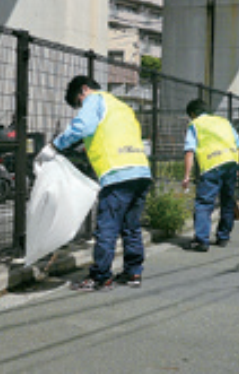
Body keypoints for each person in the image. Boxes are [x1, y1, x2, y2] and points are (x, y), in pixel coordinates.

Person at [36, 75, 152, 291]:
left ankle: (101, 277)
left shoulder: (95, 99)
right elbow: (109, 134)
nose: (81, 107)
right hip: (141, 171)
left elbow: (83, 127)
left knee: (107, 227)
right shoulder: (122, 107)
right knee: (131, 227)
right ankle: (133, 273)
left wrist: (55, 146)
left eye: (79, 103)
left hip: (117, 173)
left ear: (84, 90)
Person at [182, 98, 239, 252]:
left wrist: (186, 175)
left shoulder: (195, 125)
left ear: (193, 113)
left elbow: (190, 151)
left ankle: (202, 240)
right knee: (227, 201)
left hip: (211, 167)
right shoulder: (224, 122)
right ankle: (223, 237)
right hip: (230, 163)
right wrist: (237, 166)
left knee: (204, 203)